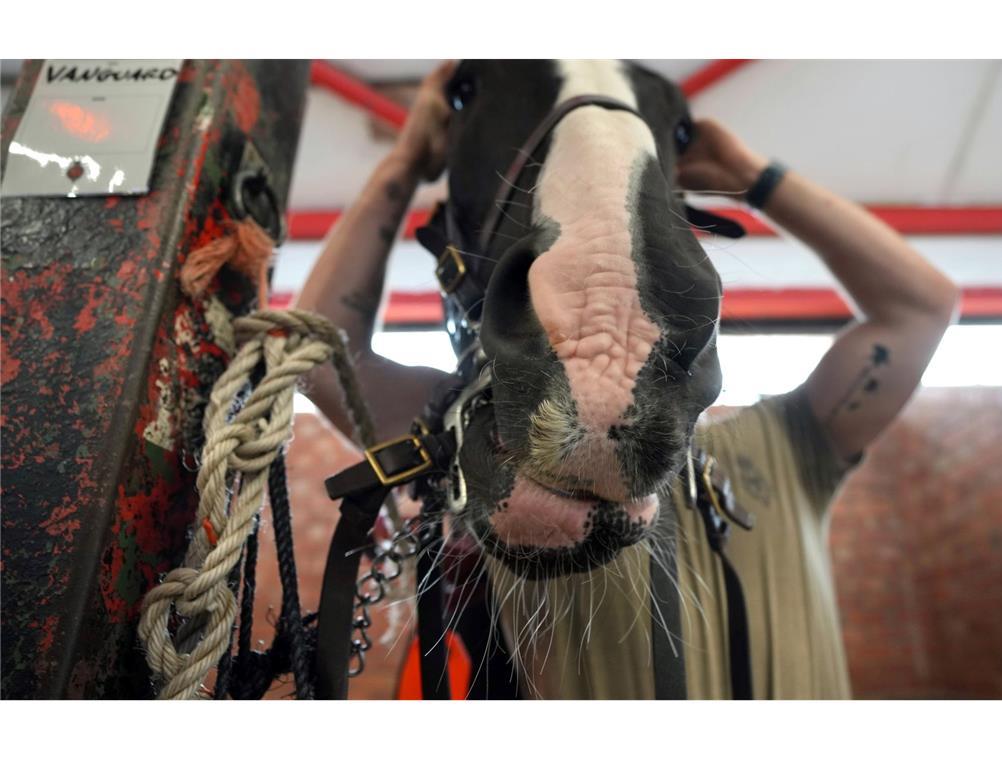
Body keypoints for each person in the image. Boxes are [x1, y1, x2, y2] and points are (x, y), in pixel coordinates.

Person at [296, 62, 959, 699]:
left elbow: (922, 308)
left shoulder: (790, 445)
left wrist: (752, 177)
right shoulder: (496, 445)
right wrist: (407, 157)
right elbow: (322, 354)